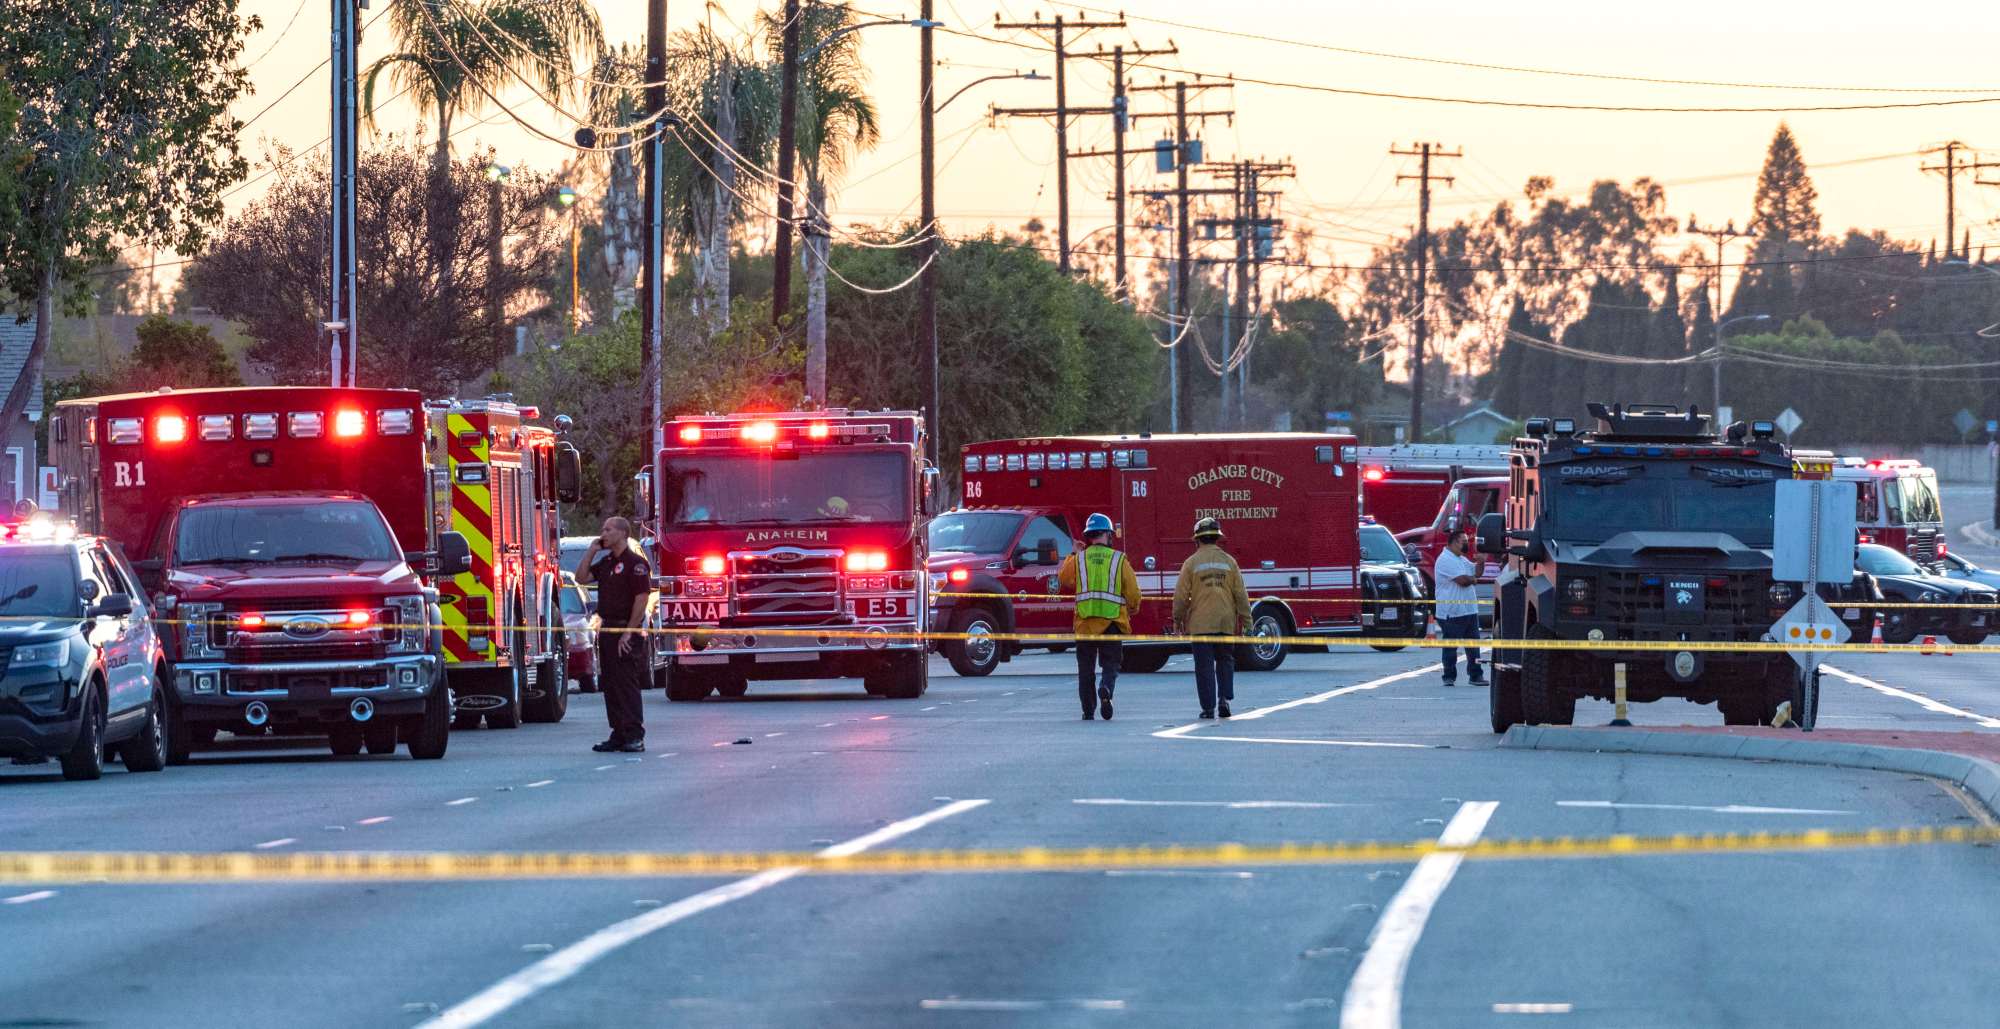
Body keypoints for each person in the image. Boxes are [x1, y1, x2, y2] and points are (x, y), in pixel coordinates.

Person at [576, 516, 652, 752]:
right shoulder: (607, 562)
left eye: (608, 530)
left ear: (622, 533)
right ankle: (618, 732)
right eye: (603, 530)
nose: (603, 533)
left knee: (626, 683)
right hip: (607, 628)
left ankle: (634, 734)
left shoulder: (635, 563)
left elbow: (642, 599)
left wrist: (628, 632)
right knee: (610, 684)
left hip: (625, 631)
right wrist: (591, 551)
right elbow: (581, 578)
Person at [1057, 512, 1141, 721]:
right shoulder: (1118, 559)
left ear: (1089, 535)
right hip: (1112, 621)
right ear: (1107, 534)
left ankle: (1087, 711)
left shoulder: (1080, 559)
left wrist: (1074, 553)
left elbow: (1064, 579)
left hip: (1084, 622)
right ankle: (1106, 688)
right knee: (1111, 664)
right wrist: (1132, 609)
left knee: (1085, 669)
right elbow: (1133, 592)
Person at [1173, 517, 1251, 719]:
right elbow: (1241, 594)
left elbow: (1181, 596)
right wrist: (1248, 621)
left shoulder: (1190, 563)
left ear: (1196, 540)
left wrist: (1178, 619)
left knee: (1204, 665)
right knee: (1225, 660)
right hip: (1225, 621)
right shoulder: (1229, 562)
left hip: (1201, 624)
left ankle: (1208, 708)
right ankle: (1224, 699)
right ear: (1217, 538)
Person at [1432, 530, 1486, 686]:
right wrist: (1473, 580)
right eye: (1463, 541)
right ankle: (1449, 676)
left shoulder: (1460, 559)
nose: (1466, 544)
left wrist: (1481, 562)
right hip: (1452, 612)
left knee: (1473, 646)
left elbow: (1476, 572)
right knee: (1451, 647)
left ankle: (1476, 676)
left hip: (1469, 609)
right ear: (1454, 542)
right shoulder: (1445, 560)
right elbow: (1462, 580)